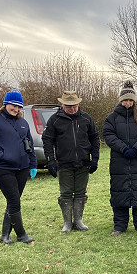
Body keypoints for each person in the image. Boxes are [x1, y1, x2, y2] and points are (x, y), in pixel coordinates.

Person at [0, 89, 36, 244]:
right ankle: (21, 234)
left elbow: (29, 143)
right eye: (13, 106)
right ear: (5, 104)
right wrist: (2, 155)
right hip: (2, 168)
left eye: (19, 107)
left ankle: (5, 236)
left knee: (13, 201)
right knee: (14, 200)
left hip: (22, 168)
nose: (16, 110)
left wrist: (33, 164)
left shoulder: (23, 123)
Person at [42, 91, 100, 233]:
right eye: (68, 106)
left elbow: (95, 138)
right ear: (62, 105)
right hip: (64, 163)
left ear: (78, 104)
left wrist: (95, 159)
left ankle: (78, 220)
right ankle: (67, 222)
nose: (72, 108)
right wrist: (50, 161)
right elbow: (47, 140)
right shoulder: (55, 120)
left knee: (80, 192)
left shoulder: (86, 118)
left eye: (74, 106)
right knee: (66, 193)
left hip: (83, 162)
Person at [102, 81, 137, 237]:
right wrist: (123, 148)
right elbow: (108, 135)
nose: (128, 103)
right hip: (120, 160)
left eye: (131, 100)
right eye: (125, 100)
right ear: (120, 100)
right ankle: (120, 225)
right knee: (119, 192)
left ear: (134, 101)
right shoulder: (112, 118)